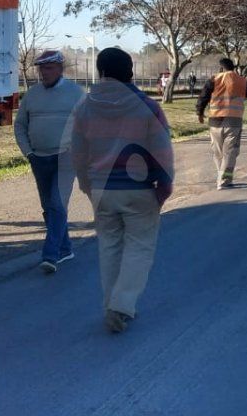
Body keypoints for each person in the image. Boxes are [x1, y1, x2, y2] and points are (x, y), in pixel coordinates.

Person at [70, 48, 174, 334]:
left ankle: (110, 306)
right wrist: (164, 185)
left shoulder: (84, 106)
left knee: (110, 247)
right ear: (129, 71)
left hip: (102, 189)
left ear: (101, 72)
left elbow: (77, 151)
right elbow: (162, 149)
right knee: (139, 247)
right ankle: (122, 305)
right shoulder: (146, 105)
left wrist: (85, 184)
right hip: (139, 189)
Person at [14, 50, 86, 274]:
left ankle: (50, 255)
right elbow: (20, 126)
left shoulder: (76, 93)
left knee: (56, 203)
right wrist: (28, 153)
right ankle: (65, 248)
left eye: (48, 68)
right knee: (49, 207)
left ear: (60, 69)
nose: (43, 73)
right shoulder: (32, 95)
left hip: (66, 158)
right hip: (39, 158)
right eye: (41, 68)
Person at [196, 58, 247, 189]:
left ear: (221, 68)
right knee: (230, 152)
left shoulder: (214, 79)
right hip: (234, 120)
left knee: (218, 152)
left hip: (215, 120)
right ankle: (223, 180)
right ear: (233, 67)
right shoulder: (242, 80)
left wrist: (199, 113)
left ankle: (222, 177)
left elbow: (203, 97)